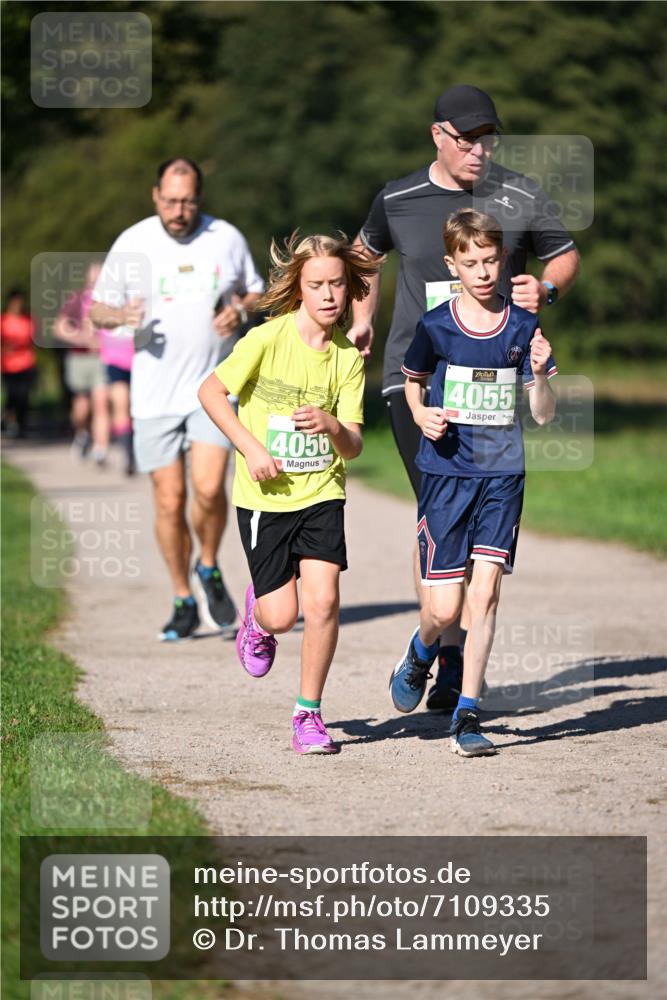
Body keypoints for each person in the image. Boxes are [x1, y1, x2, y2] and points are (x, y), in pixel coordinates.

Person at [349, 84, 579, 711]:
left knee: (479, 528)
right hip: (417, 380)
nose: (480, 150)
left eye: (488, 138)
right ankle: (447, 649)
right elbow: (362, 259)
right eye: (467, 139)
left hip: (493, 388)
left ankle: (443, 650)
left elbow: (565, 257)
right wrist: (361, 319)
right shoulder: (398, 198)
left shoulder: (520, 195)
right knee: (438, 509)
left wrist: (546, 291)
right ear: (438, 135)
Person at [198, 233, 379, 754]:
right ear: (299, 288)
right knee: (283, 616)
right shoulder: (266, 338)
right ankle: (258, 617)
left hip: (321, 492)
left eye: (337, 284)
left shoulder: (346, 358)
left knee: (324, 601)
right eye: (316, 285)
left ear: (349, 287)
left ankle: (308, 714)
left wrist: (332, 425)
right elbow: (211, 392)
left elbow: (354, 445)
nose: (328, 295)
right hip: (267, 498)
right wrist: (251, 447)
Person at [389, 208, 557, 756]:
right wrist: (421, 415)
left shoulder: (523, 326)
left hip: (502, 475)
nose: (483, 272)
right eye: (471, 263)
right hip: (446, 474)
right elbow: (412, 383)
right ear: (451, 265)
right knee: (443, 610)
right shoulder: (436, 326)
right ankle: (421, 652)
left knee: (483, 596)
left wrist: (538, 374)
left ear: (503, 260)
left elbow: (543, 413)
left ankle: (467, 714)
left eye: (490, 260)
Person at [90, 158, 264, 641]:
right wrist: (120, 315)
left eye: (187, 201)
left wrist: (238, 311)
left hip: (213, 389)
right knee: (170, 502)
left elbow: (255, 292)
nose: (178, 210)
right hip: (154, 394)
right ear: (155, 196)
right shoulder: (133, 243)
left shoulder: (225, 237)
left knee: (208, 489)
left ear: (199, 198)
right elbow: (98, 310)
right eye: (170, 201)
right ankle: (182, 597)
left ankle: (207, 564)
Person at [54, 262, 110, 465]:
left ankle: (100, 450)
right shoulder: (76, 299)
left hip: (103, 359)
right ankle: (82, 432)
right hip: (79, 358)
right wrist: (82, 338)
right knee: (82, 408)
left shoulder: (112, 301)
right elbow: (59, 327)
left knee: (101, 403)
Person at [1, 290, 37, 438]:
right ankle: (8, 419)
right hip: (8, 365)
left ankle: (22, 425)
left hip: (26, 363)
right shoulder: (3, 320)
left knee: (23, 396)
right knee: (12, 395)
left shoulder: (28, 320)